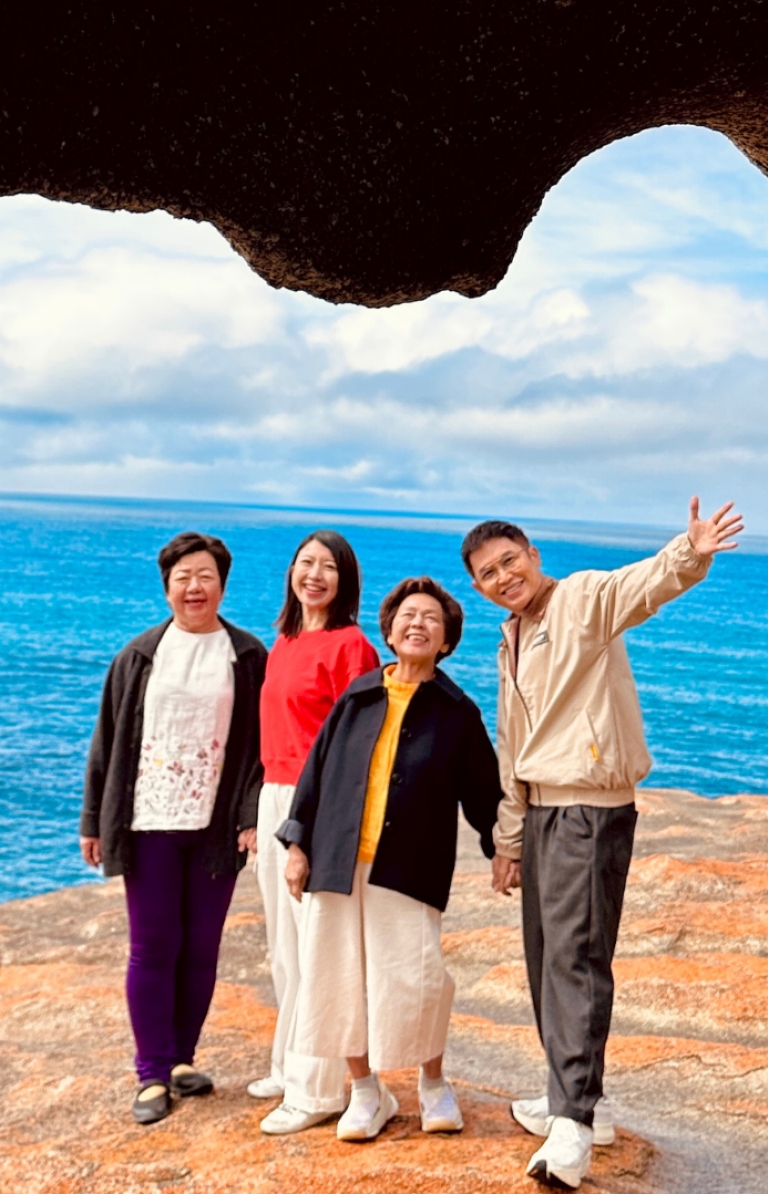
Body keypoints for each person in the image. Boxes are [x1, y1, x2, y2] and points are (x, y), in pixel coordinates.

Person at [461, 497, 743, 1189]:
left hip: (591, 807)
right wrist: (510, 837)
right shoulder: (512, 637)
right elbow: (513, 745)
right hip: (543, 813)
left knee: (578, 960)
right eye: (487, 573)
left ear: (533, 556)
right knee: (545, 959)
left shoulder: (582, 599)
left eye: (509, 562)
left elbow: (644, 585)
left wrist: (691, 550)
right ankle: (571, 1100)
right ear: (478, 585)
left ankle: (576, 1125)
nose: (503, 577)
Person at [274, 577, 503, 1140]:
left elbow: (483, 793)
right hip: (337, 861)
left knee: (418, 978)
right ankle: (365, 1092)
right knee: (337, 977)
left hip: (410, 867)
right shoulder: (358, 695)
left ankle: (432, 1085)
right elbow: (317, 772)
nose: (417, 624)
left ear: (447, 639)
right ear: (390, 629)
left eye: (431, 618)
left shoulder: (456, 712)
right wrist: (297, 843)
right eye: (407, 615)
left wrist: (505, 850)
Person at [80, 532, 266, 1125]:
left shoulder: (247, 655)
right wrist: (94, 822)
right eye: (184, 576)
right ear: (167, 587)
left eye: (205, 576)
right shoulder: (139, 656)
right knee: (153, 947)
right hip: (148, 824)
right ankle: (151, 1073)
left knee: (202, 949)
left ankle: (182, 1058)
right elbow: (107, 741)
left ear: (222, 584)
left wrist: (250, 817)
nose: (195, 587)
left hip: (214, 829)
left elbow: (261, 748)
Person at [249, 530, 379, 1134]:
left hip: (319, 805)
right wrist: (261, 818)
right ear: (292, 572)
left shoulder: (351, 645)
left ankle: (318, 1089)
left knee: (317, 950)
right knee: (284, 949)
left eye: (329, 567)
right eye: (306, 563)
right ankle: (288, 1063)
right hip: (276, 799)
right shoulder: (286, 640)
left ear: (345, 581)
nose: (315, 575)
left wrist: (306, 832)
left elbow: (354, 750)